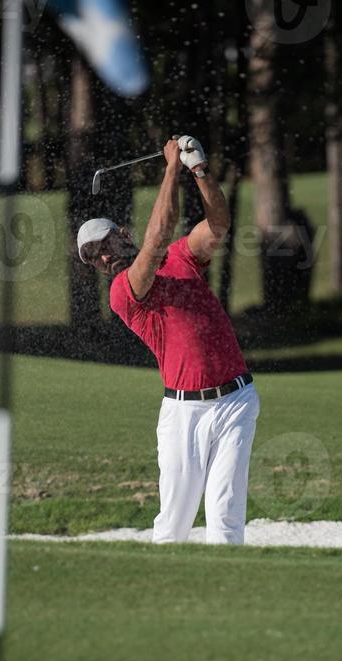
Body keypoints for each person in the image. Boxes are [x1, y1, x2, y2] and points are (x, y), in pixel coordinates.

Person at [76, 136, 260, 545]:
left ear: (122, 233)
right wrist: (171, 167)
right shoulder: (124, 291)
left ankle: (227, 603)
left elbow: (218, 226)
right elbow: (157, 237)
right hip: (182, 415)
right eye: (93, 258)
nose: (104, 257)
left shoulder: (182, 256)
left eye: (103, 245)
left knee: (225, 519)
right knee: (173, 526)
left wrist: (199, 171)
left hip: (236, 401)